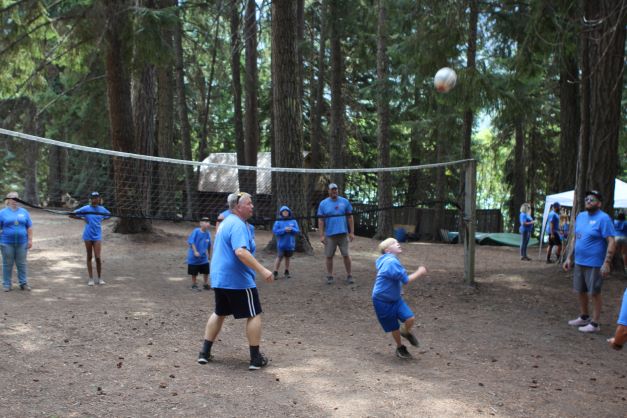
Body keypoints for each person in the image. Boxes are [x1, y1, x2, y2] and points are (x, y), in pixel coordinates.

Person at [197, 192, 274, 370]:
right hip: (237, 280)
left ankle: (204, 353)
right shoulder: (238, 225)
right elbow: (240, 252)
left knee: (219, 312)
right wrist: (262, 270)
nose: (252, 206)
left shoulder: (226, 223)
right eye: (249, 203)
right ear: (238, 207)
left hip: (220, 278)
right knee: (253, 313)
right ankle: (255, 359)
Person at [563, 190, 616, 333]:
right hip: (580, 261)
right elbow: (576, 237)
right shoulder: (580, 216)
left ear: (599, 203)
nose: (588, 201)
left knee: (594, 292)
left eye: (592, 199)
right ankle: (584, 316)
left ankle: (595, 323)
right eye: (586, 199)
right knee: (580, 290)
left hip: (595, 263)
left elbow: (611, 241)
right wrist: (569, 257)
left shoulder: (604, 218)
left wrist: (607, 262)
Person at [372, 238, 428, 359]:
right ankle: (400, 347)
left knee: (410, 318)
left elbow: (397, 279)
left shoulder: (391, 260)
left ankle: (405, 332)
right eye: (393, 243)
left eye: (397, 242)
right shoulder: (390, 262)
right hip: (382, 301)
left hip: (395, 299)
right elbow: (405, 280)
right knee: (394, 327)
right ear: (387, 250)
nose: (397, 243)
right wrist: (420, 271)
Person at [70, 192, 111, 286]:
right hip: (88, 235)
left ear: (99, 199)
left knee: (98, 257)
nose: (95, 199)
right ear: (90, 199)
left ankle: (100, 278)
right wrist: (83, 218)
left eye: (96, 198)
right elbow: (71, 214)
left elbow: (109, 215)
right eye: (93, 198)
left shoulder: (102, 209)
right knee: (89, 256)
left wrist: (101, 219)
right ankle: (91, 278)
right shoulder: (86, 208)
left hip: (97, 236)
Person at [317, 183, 354, 284]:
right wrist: (321, 235)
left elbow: (350, 217)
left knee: (346, 255)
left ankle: (349, 275)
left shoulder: (344, 201)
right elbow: (321, 220)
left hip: (343, 234)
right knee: (329, 256)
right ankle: (330, 275)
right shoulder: (323, 204)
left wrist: (352, 232)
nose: (334, 191)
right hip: (330, 235)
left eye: (336, 189)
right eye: (332, 190)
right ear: (328, 191)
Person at [0, 192, 33, 291]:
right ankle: (7, 284)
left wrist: (30, 240)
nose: (15, 200)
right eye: (12, 198)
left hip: (22, 243)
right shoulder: (2, 213)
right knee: (7, 263)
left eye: (16, 198)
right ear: (8, 200)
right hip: (6, 243)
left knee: (21, 263)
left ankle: (23, 283)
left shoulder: (24, 212)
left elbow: (29, 227)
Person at [272, 205, 300, 279]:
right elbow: (275, 231)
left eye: (286, 211)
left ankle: (286, 271)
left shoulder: (293, 221)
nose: (285, 213)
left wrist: (291, 229)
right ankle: (275, 272)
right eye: (284, 212)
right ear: (281, 213)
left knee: (288, 257)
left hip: (290, 244)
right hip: (281, 244)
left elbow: (297, 231)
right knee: (279, 257)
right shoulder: (278, 221)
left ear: (289, 212)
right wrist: (284, 230)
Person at [187, 217, 212, 291]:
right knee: (194, 271)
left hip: (203, 257)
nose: (207, 223)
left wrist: (209, 255)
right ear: (201, 224)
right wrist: (195, 251)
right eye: (205, 221)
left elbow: (209, 244)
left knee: (206, 270)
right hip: (194, 256)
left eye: (208, 222)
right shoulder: (196, 231)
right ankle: (194, 285)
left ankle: (205, 284)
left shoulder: (208, 233)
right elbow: (191, 242)